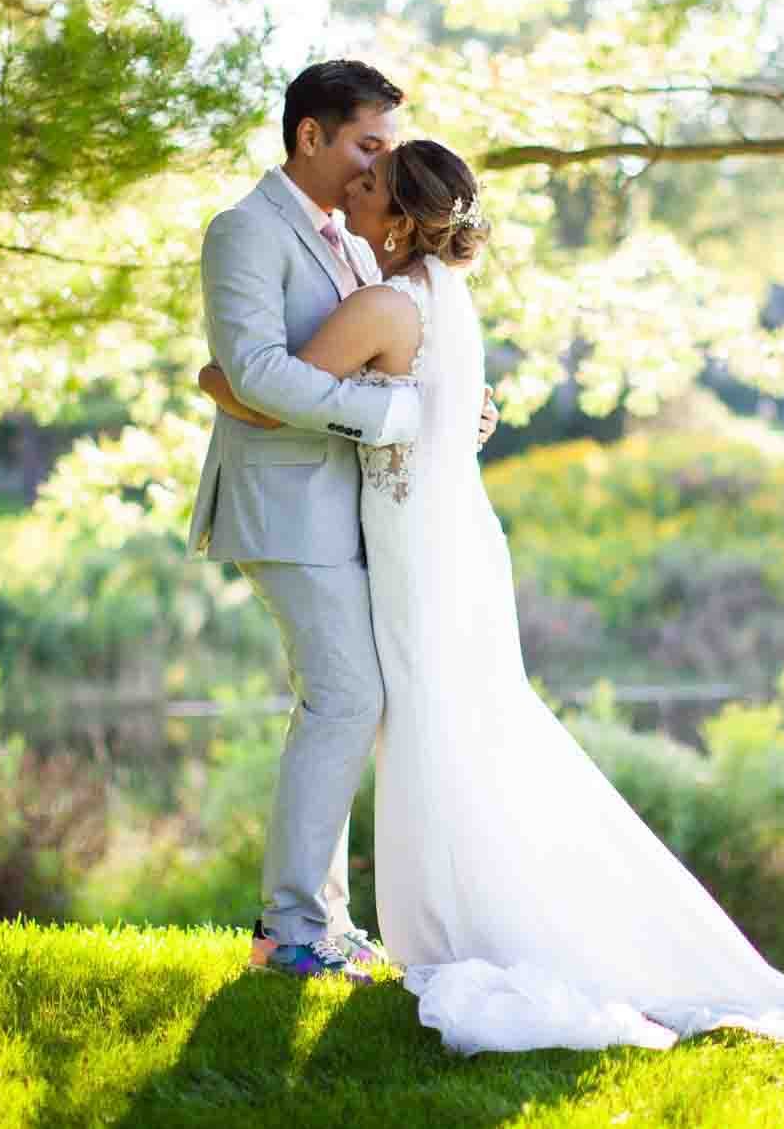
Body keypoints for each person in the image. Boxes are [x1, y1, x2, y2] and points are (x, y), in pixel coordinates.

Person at [198, 140, 784, 1059]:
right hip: (452, 537)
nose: (355, 194)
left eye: (371, 186)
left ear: (402, 217)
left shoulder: (379, 302)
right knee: (458, 721)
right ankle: (461, 913)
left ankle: (457, 925)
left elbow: (271, 391)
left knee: (436, 723)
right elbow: (444, 405)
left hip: (418, 546)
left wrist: (217, 378)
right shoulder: (446, 299)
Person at [189, 61, 494, 984]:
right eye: (367, 144)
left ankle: (321, 919)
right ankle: (288, 928)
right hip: (285, 507)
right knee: (347, 698)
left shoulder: (359, 239)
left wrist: (451, 404)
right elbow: (257, 371)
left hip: (358, 511)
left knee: (347, 702)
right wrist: (398, 416)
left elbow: (394, 345)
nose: (381, 162)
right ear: (309, 137)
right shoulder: (246, 230)